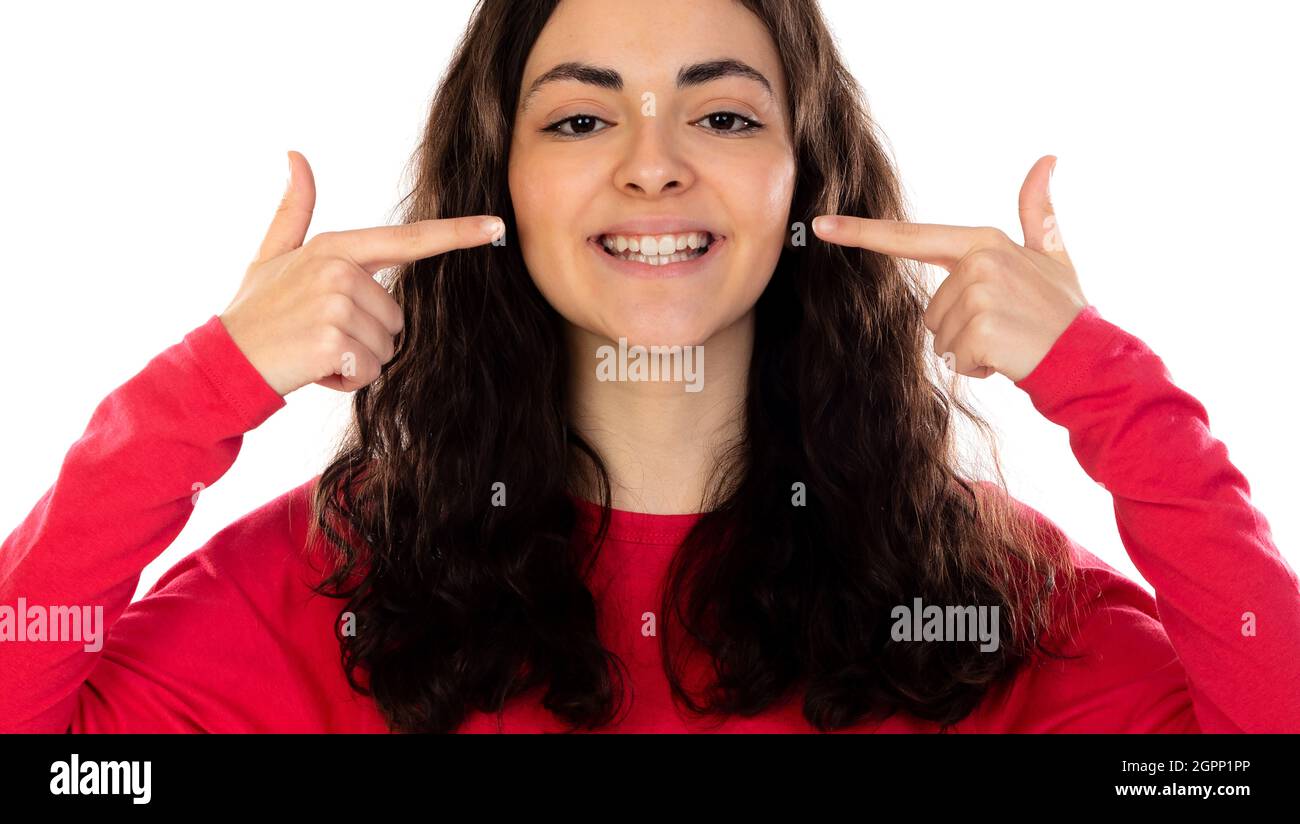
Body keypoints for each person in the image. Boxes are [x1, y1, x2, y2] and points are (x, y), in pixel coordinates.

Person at [2, 0, 1297, 733]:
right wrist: (207, 382)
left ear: (811, 182)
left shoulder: (979, 616)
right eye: (579, 115)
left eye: (724, 112)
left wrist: (1102, 380)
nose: (653, 159)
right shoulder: (324, 595)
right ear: (497, 185)